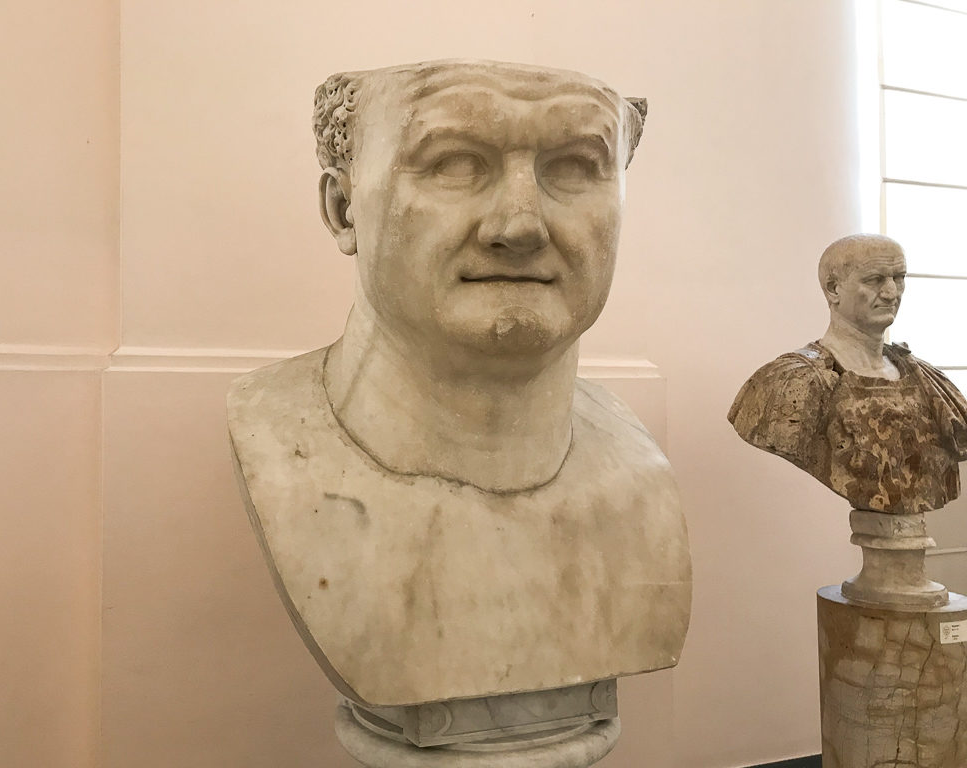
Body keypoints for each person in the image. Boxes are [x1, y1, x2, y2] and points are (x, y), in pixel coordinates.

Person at [227, 61, 691, 716]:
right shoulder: (275, 433)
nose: (521, 226)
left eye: (576, 167)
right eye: (452, 163)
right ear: (342, 208)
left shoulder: (639, 474)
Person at [729, 234, 967, 514]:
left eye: (899, 277)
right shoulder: (790, 385)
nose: (892, 293)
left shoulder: (930, 382)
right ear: (833, 289)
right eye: (875, 279)